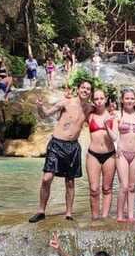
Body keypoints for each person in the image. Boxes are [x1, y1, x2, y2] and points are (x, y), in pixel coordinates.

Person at [30, 84, 90, 222]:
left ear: (90, 92)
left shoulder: (89, 108)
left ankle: (68, 213)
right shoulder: (66, 102)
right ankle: (41, 211)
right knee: (46, 178)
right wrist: (39, 106)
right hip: (57, 144)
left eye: (88, 89)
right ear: (78, 89)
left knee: (70, 182)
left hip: (73, 147)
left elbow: (101, 113)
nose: (85, 91)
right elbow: (45, 114)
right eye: (83, 88)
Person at [109, 88, 135, 222]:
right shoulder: (118, 115)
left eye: (132, 98)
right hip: (122, 154)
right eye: (127, 98)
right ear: (122, 99)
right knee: (124, 186)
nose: (130, 101)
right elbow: (114, 137)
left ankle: (131, 215)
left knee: (132, 187)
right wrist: (107, 128)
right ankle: (120, 215)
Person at [86, 89, 117, 220]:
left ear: (105, 99)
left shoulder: (112, 116)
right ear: (93, 101)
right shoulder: (90, 115)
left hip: (109, 155)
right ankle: (94, 218)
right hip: (93, 155)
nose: (99, 101)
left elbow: (114, 137)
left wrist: (107, 126)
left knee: (107, 188)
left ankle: (104, 218)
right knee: (93, 189)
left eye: (101, 98)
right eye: (96, 99)